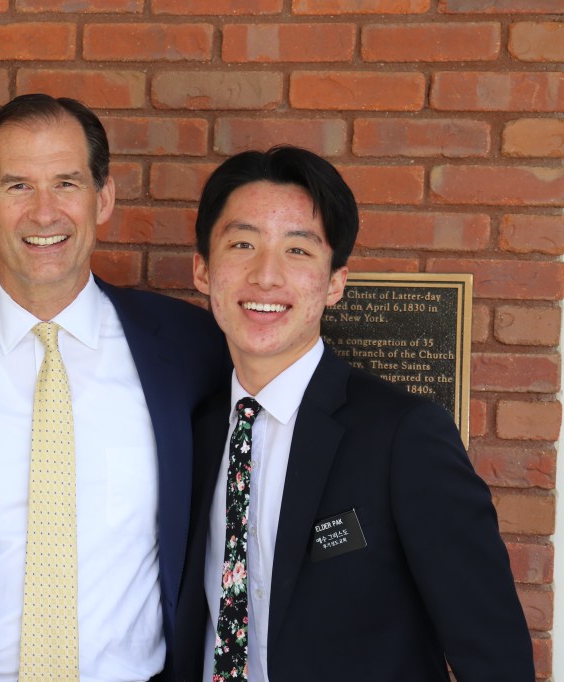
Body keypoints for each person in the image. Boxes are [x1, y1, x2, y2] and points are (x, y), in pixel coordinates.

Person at [0, 93, 229, 681]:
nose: (43, 213)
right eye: (18, 186)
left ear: (102, 198)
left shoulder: (191, 349)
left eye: (66, 184)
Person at [174, 146, 534, 681]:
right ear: (203, 269)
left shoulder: (403, 436)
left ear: (335, 282)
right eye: (243, 244)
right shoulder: (193, 430)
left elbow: (493, 653)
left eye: (298, 250)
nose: (266, 275)